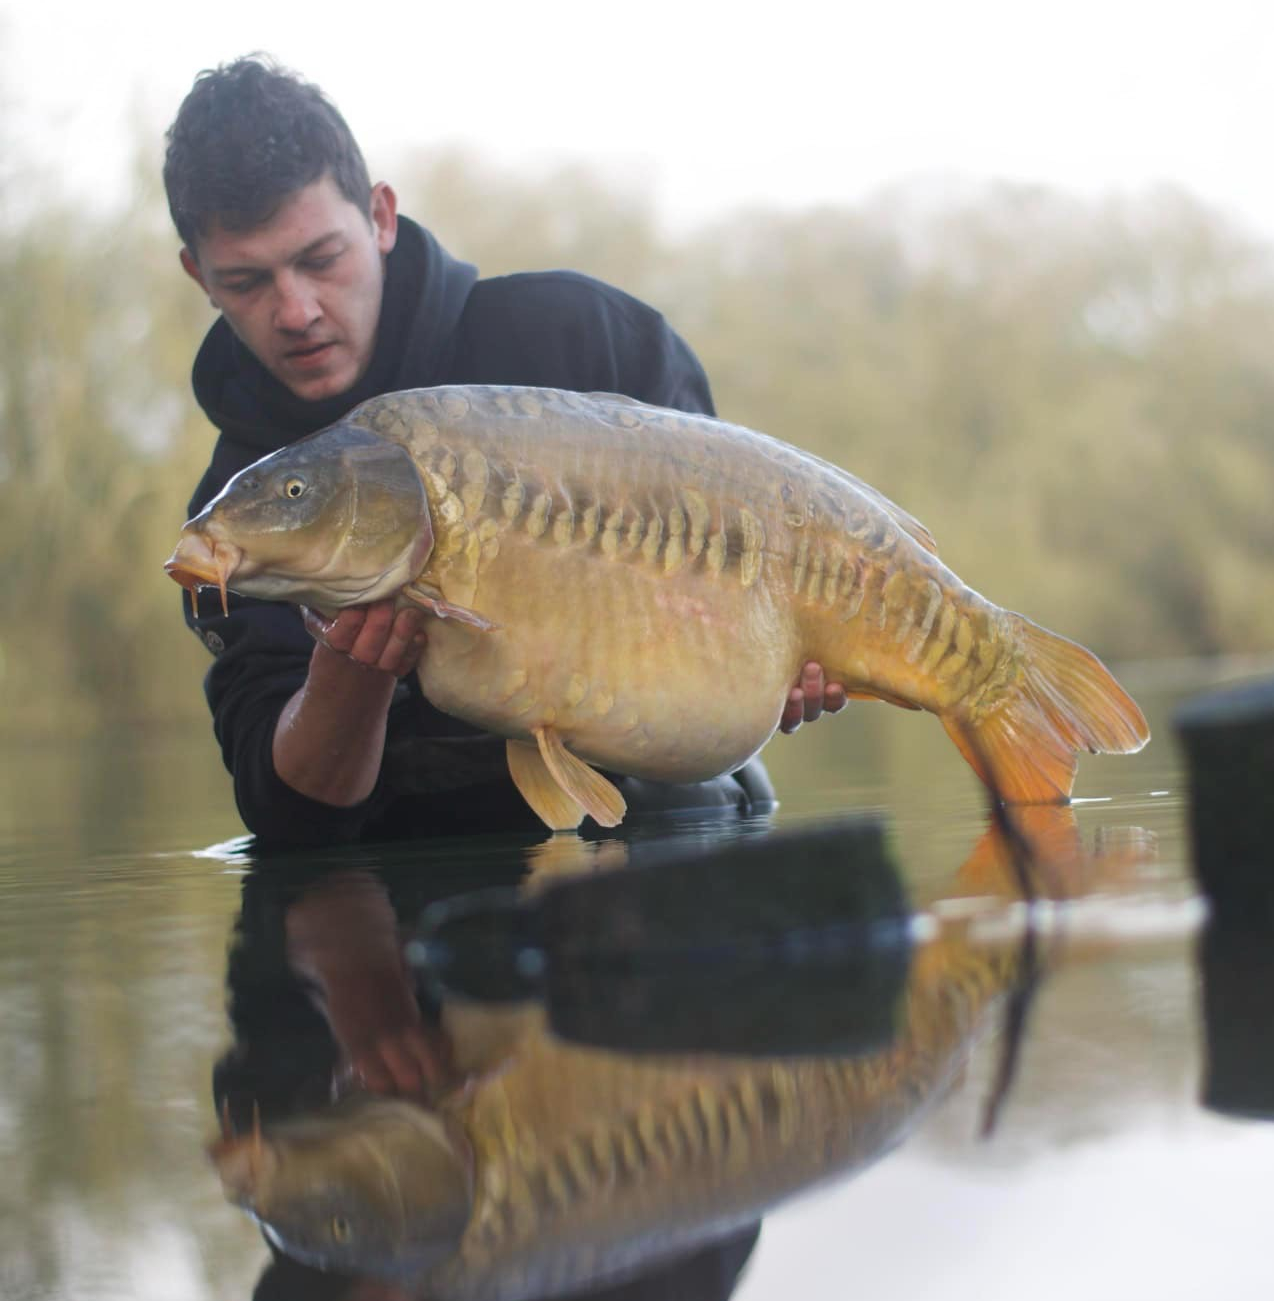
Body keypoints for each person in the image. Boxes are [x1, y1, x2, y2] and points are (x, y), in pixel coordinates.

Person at [166, 56, 843, 848]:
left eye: (321, 260)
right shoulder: (241, 515)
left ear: (380, 217)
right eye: (247, 281)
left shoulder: (576, 338)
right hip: (412, 859)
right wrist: (350, 671)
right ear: (199, 276)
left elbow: (745, 544)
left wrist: (777, 659)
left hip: (667, 818)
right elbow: (289, 811)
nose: (296, 310)